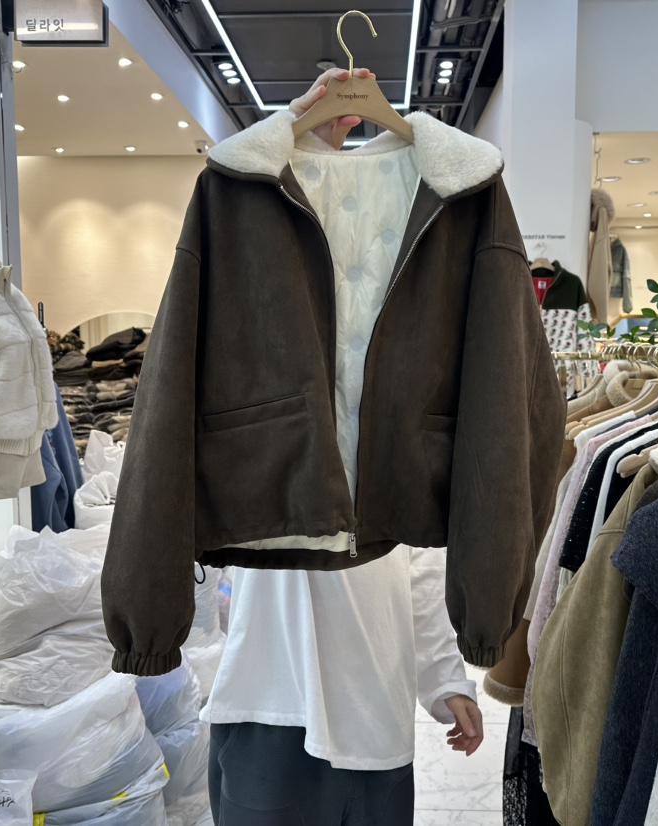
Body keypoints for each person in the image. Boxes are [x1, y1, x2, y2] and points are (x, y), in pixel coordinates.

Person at [203, 66, 484, 826]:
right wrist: (295, 140)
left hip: (373, 709)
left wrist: (444, 678)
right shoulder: (268, 369)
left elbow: (418, 562)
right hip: (269, 694)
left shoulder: (401, 398)